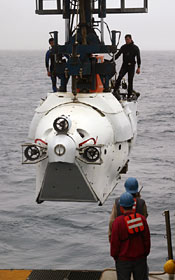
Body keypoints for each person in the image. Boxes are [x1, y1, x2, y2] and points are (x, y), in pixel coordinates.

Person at [110, 192, 151, 280]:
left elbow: (114, 243)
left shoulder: (117, 222)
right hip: (140, 258)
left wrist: (115, 256)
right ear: (133, 205)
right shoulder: (142, 219)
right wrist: (144, 254)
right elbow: (147, 239)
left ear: (121, 207)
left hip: (123, 260)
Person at [108, 177, 148, 242]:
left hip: (121, 238)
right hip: (137, 240)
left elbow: (112, 221)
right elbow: (144, 218)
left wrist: (111, 237)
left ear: (125, 187)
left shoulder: (117, 202)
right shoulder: (142, 203)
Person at [113, 34, 141, 99]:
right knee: (120, 76)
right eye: (126, 40)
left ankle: (129, 95)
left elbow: (138, 58)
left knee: (130, 80)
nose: (127, 41)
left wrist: (138, 67)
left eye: (128, 39)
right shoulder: (123, 47)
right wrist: (112, 60)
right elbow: (118, 55)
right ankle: (115, 91)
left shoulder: (135, 48)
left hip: (132, 66)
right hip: (124, 65)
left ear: (131, 39)